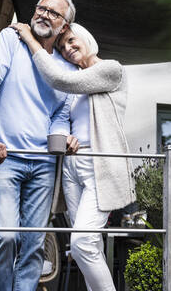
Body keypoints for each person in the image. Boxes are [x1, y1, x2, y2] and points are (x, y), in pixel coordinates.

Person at [10, 21, 136, 291]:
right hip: (71, 169)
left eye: (70, 41)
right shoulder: (76, 88)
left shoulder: (111, 70)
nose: (67, 49)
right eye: (61, 46)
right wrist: (66, 134)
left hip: (99, 167)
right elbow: (64, 118)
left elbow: (61, 79)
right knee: (89, 247)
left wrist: (32, 41)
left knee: (82, 243)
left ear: (84, 37)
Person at [0, 0, 79, 291]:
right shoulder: (9, 41)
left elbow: (60, 113)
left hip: (44, 164)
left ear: (64, 26)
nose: (44, 14)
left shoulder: (65, 67)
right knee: (6, 236)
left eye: (53, 12)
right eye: (40, 8)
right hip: (3, 156)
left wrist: (62, 138)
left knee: (34, 244)